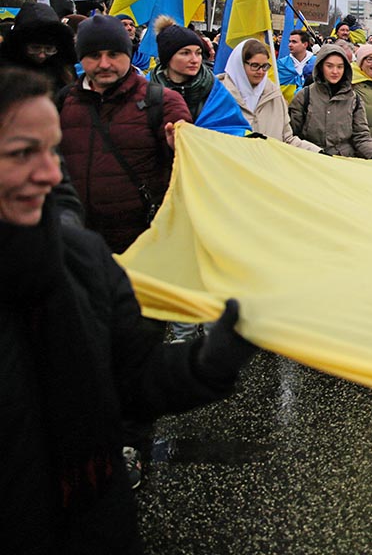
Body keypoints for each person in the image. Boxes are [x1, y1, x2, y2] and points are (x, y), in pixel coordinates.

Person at [0, 66, 257, 554]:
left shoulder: (82, 258)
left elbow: (129, 379)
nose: (52, 174)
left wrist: (210, 361)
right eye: (20, 154)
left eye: (53, 151)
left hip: (95, 523)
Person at [57, 15, 191, 254]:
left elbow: (190, 172)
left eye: (114, 54)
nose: (105, 64)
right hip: (78, 242)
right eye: (94, 55)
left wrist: (180, 148)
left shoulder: (162, 102)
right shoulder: (63, 101)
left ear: (128, 55)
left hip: (142, 244)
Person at [216, 39, 320, 152]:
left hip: (266, 166)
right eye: (255, 65)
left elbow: (287, 140)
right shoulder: (217, 96)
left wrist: (320, 153)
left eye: (265, 66)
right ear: (240, 64)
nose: (261, 72)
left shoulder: (274, 96)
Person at [289, 44, 372, 160]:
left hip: (343, 162)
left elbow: (361, 135)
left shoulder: (353, 99)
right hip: (311, 159)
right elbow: (292, 134)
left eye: (340, 67)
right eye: (329, 66)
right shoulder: (304, 96)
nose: (335, 71)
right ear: (321, 67)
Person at [149, 16, 215, 121]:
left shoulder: (215, 89)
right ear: (168, 57)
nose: (195, 60)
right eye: (185, 53)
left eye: (198, 53)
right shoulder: (144, 89)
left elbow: (231, 127)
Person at [0, 2, 77, 92]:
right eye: (35, 48)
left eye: (49, 49)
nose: (42, 55)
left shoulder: (65, 73)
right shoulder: (5, 73)